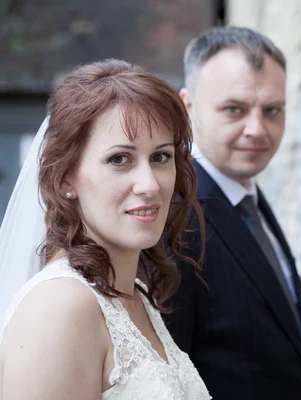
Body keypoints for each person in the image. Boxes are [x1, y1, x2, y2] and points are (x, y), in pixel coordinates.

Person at [0, 59, 211, 400]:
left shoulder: (137, 292)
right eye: (119, 159)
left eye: (160, 157)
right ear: (66, 177)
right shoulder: (60, 309)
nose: (149, 185)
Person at [163, 26, 301, 399]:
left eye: (272, 110)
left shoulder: (249, 196)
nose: (257, 129)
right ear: (188, 107)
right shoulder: (175, 220)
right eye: (234, 109)